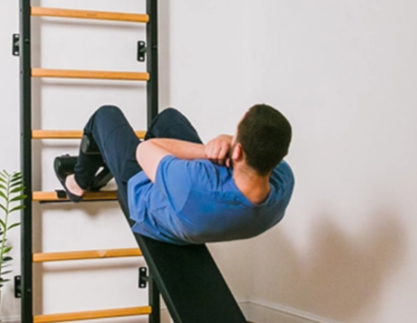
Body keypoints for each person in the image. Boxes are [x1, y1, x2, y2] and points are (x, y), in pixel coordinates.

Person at [54, 104, 294, 246]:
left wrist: (205, 150)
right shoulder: (284, 182)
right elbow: (259, 153)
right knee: (170, 119)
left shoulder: (194, 182)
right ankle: (114, 156)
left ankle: (78, 182)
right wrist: (225, 140)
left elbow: (143, 150)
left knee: (105, 115)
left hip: (146, 202)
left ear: (238, 151)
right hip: (202, 215)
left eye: (235, 136)